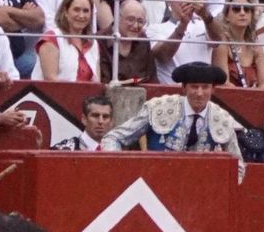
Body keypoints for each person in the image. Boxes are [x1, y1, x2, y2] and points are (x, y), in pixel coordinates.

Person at [100, 60, 242, 159]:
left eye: (205, 87)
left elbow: (238, 164)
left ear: (213, 90)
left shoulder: (222, 119)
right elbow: (113, 138)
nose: (199, 93)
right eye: (194, 86)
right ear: (184, 88)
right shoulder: (159, 108)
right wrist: (117, 170)